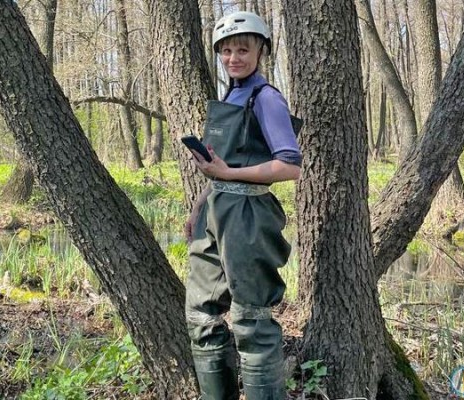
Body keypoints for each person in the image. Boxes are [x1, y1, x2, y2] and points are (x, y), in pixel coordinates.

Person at [183, 10, 302, 400]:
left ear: (261, 51)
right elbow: (222, 164)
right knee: (201, 315)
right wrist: (199, 206)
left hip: (249, 216)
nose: (234, 58)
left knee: (251, 320)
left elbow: (290, 166)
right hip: (216, 212)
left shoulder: (267, 98)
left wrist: (228, 175)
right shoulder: (229, 95)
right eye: (227, 50)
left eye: (243, 49)